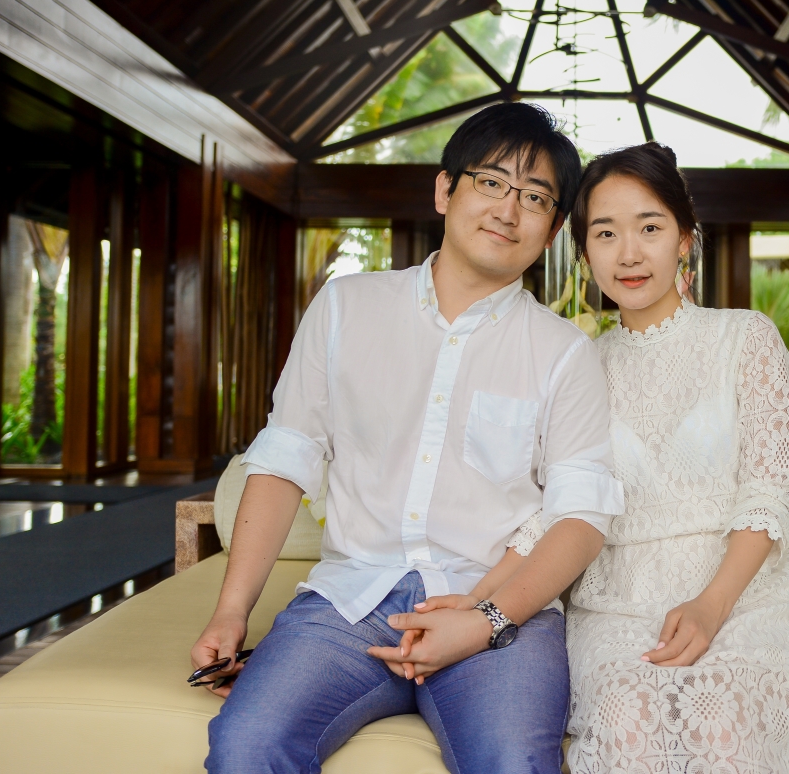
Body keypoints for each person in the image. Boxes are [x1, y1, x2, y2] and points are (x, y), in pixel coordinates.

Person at [417, 143, 789, 772]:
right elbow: (552, 511)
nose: (629, 254)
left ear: (684, 240)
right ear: (584, 254)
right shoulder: (578, 364)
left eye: (649, 228)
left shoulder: (744, 339)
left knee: (722, 717)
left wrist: (711, 606)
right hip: (616, 606)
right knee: (629, 715)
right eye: (605, 233)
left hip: (742, 599)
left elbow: (770, 491)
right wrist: (478, 602)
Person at [192, 103, 625, 774]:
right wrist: (230, 611)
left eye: (535, 197)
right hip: (349, 603)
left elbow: (582, 518)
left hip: (497, 607)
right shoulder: (345, 307)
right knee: (246, 743)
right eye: (491, 182)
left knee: (513, 761)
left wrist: (486, 619)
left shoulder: (565, 353)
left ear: (553, 229)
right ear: (445, 189)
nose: (508, 210)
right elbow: (284, 459)